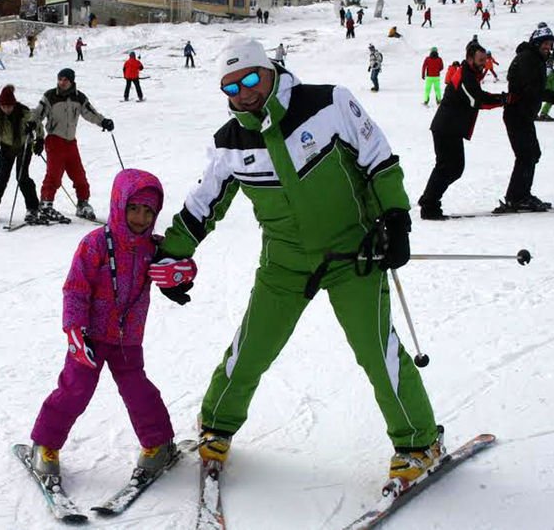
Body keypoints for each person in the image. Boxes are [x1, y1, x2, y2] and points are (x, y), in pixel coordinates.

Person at [155, 36, 444, 484]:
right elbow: (202, 206)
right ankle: (216, 425)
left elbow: (379, 160)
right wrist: (172, 257)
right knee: (252, 347)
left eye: (250, 79)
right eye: (230, 87)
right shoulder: (230, 144)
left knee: (377, 351)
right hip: (285, 263)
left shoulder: (329, 103)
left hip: (355, 253)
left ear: (269, 70)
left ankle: (420, 442)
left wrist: (396, 219)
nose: (243, 92)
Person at [27, 169, 195, 489]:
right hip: (89, 338)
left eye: (149, 211)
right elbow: (75, 289)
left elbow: (181, 265)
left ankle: (159, 444)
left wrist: (182, 272)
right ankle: (45, 445)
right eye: (134, 208)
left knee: (139, 391)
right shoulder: (95, 245)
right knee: (74, 390)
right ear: (119, 205)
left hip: (127, 340)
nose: (141, 217)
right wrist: (74, 332)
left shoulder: (153, 248)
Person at [418, 43, 506, 219]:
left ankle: (428, 199)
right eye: (480, 60)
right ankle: (429, 205)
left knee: (453, 168)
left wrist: (501, 99)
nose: (483, 63)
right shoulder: (465, 75)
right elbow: (477, 100)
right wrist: (502, 99)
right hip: (446, 128)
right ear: (469, 58)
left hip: (451, 128)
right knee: (448, 167)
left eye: (484, 60)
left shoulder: (471, 74)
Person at [497, 23, 554, 212]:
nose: (548, 49)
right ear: (536, 44)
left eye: (550, 45)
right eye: (545, 45)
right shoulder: (529, 59)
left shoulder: (533, 58)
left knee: (531, 154)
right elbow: (532, 89)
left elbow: (534, 87)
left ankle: (520, 195)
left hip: (523, 114)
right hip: (517, 113)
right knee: (527, 155)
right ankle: (517, 196)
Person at [32, 68, 114, 222]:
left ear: (71, 81)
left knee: (79, 176)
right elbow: (37, 114)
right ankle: (45, 205)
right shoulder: (50, 96)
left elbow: (90, 113)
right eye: (60, 79)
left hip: (70, 142)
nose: (62, 83)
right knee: (54, 176)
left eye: (65, 80)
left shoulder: (79, 97)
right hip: (54, 140)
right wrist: (32, 125)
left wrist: (103, 121)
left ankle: (83, 204)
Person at [0, 85, 45, 229]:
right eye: (4, 106)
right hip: (7, 148)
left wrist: (40, 140)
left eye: (9, 106)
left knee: (22, 177)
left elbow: (38, 125)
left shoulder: (25, 112)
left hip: (24, 147)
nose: (7, 109)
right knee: (2, 177)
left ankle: (33, 208)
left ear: (14, 104)